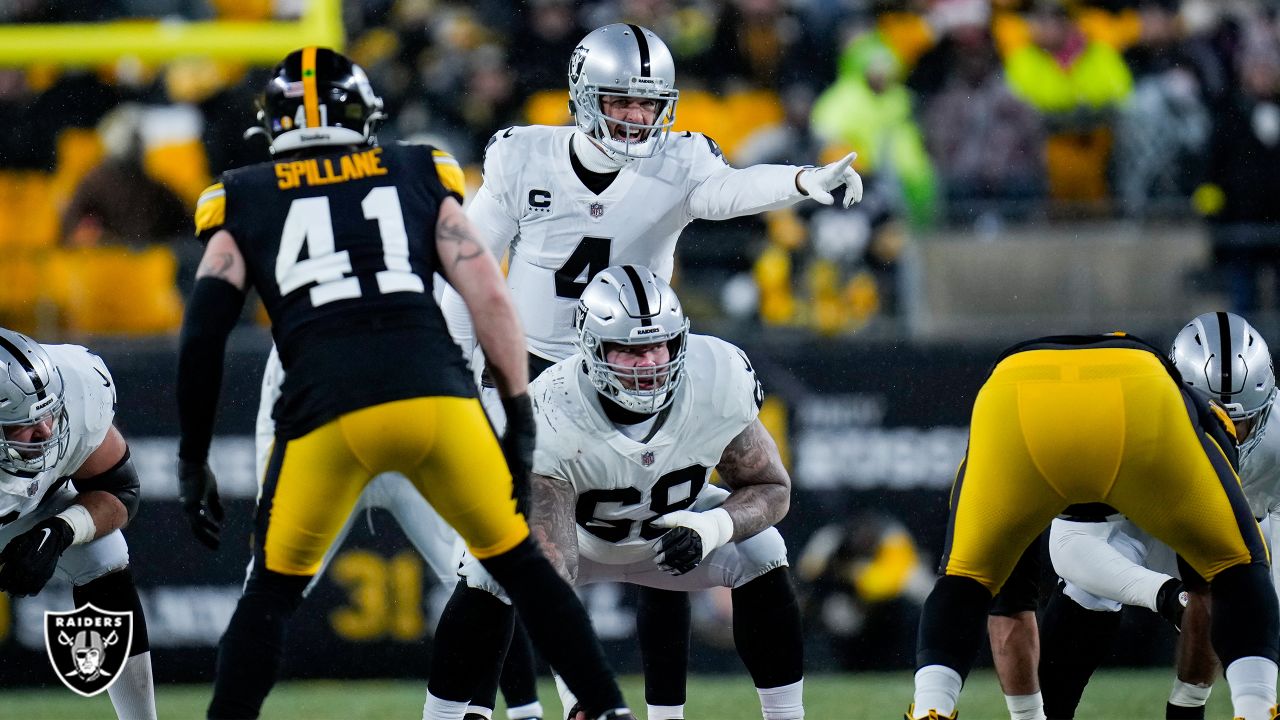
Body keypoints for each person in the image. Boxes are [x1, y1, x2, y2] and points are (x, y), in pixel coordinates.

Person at [175, 46, 635, 720]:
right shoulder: (417, 168)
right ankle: (606, 708)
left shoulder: (241, 194)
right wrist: (517, 412)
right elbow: (490, 299)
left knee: (268, 599)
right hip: (432, 395)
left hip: (324, 408)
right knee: (516, 566)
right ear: (365, 115)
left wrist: (192, 458)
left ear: (272, 124)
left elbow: (202, 333)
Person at [430, 22, 863, 720]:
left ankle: (634, 710)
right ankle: (517, 708)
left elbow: (727, 191)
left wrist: (803, 181)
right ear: (581, 94)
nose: (636, 117)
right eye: (620, 101)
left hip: (641, 368)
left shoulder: (681, 160)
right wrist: (460, 370)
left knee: (664, 523)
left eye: (648, 102)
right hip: (534, 375)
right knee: (498, 559)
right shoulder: (524, 156)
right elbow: (471, 266)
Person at [430, 265, 804, 720]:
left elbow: (771, 487)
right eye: (631, 350)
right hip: (578, 543)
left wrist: (712, 527)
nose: (650, 363)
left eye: (659, 345)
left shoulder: (717, 377)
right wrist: (583, 696)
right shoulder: (551, 411)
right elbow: (554, 577)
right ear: (593, 349)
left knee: (762, 549)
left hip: (673, 531)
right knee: (488, 568)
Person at [907, 332, 1279, 720]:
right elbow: (1227, 587)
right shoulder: (1197, 411)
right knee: (1237, 570)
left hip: (1011, 393)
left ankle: (931, 705)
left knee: (964, 582)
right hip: (1141, 396)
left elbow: (1011, 608)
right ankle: (1256, 708)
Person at [1040, 312, 1280, 719]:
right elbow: (1070, 544)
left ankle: (1199, 710)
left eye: (1240, 425)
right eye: (1211, 421)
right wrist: (1167, 596)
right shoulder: (1125, 424)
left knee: (1255, 602)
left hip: (1237, 537)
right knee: (1086, 591)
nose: (1228, 440)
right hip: (1145, 529)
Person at [0, 327, 154, 720]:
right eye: (23, 424)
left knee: (104, 554)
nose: (47, 432)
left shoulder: (77, 383)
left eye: (49, 413)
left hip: (30, 502)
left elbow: (121, 490)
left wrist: (60, 530)